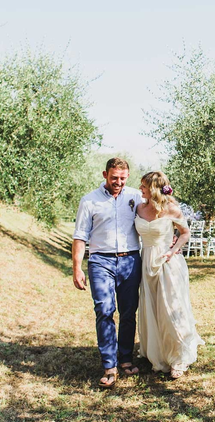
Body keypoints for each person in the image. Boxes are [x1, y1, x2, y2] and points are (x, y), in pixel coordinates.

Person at [72, 157, 142, 388]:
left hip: (131, 260)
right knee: (104, 309)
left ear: (127, 177)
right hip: (100, 261)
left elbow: (157, 212)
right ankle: (109, 365)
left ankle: (125, 358)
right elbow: (80, 236)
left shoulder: (135, 196)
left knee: (129, 311)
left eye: (122, 178)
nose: (118, 182)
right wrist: (77, 268)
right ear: (105, 175)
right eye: (114, 178)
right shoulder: (89, 201)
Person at [135, 171, 205, 379]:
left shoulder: (171, 209)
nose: (140, 189)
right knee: (152, 307)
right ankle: (156, 351)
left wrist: (173, 250)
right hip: (146, 261)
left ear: (154, 188)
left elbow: (185, 233)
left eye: (144, 186)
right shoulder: (139, 208)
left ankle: (179, 357)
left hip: (167, 263)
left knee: (171, 308)